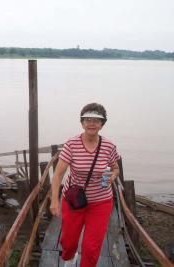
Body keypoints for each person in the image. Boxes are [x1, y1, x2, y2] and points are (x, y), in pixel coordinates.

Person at [49, 103, 120, 267]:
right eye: (87, 119)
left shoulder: (108, 146)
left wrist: (113, 176)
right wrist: (54, 200)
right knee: (69, 241)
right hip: (74, 200)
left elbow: (115, 168)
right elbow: (58, 174)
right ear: (82, 122)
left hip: (101, 201)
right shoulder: (72, 144)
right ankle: (69, 257)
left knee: (91, 246)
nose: (91, 123)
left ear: (102, 124)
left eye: (96, 120)